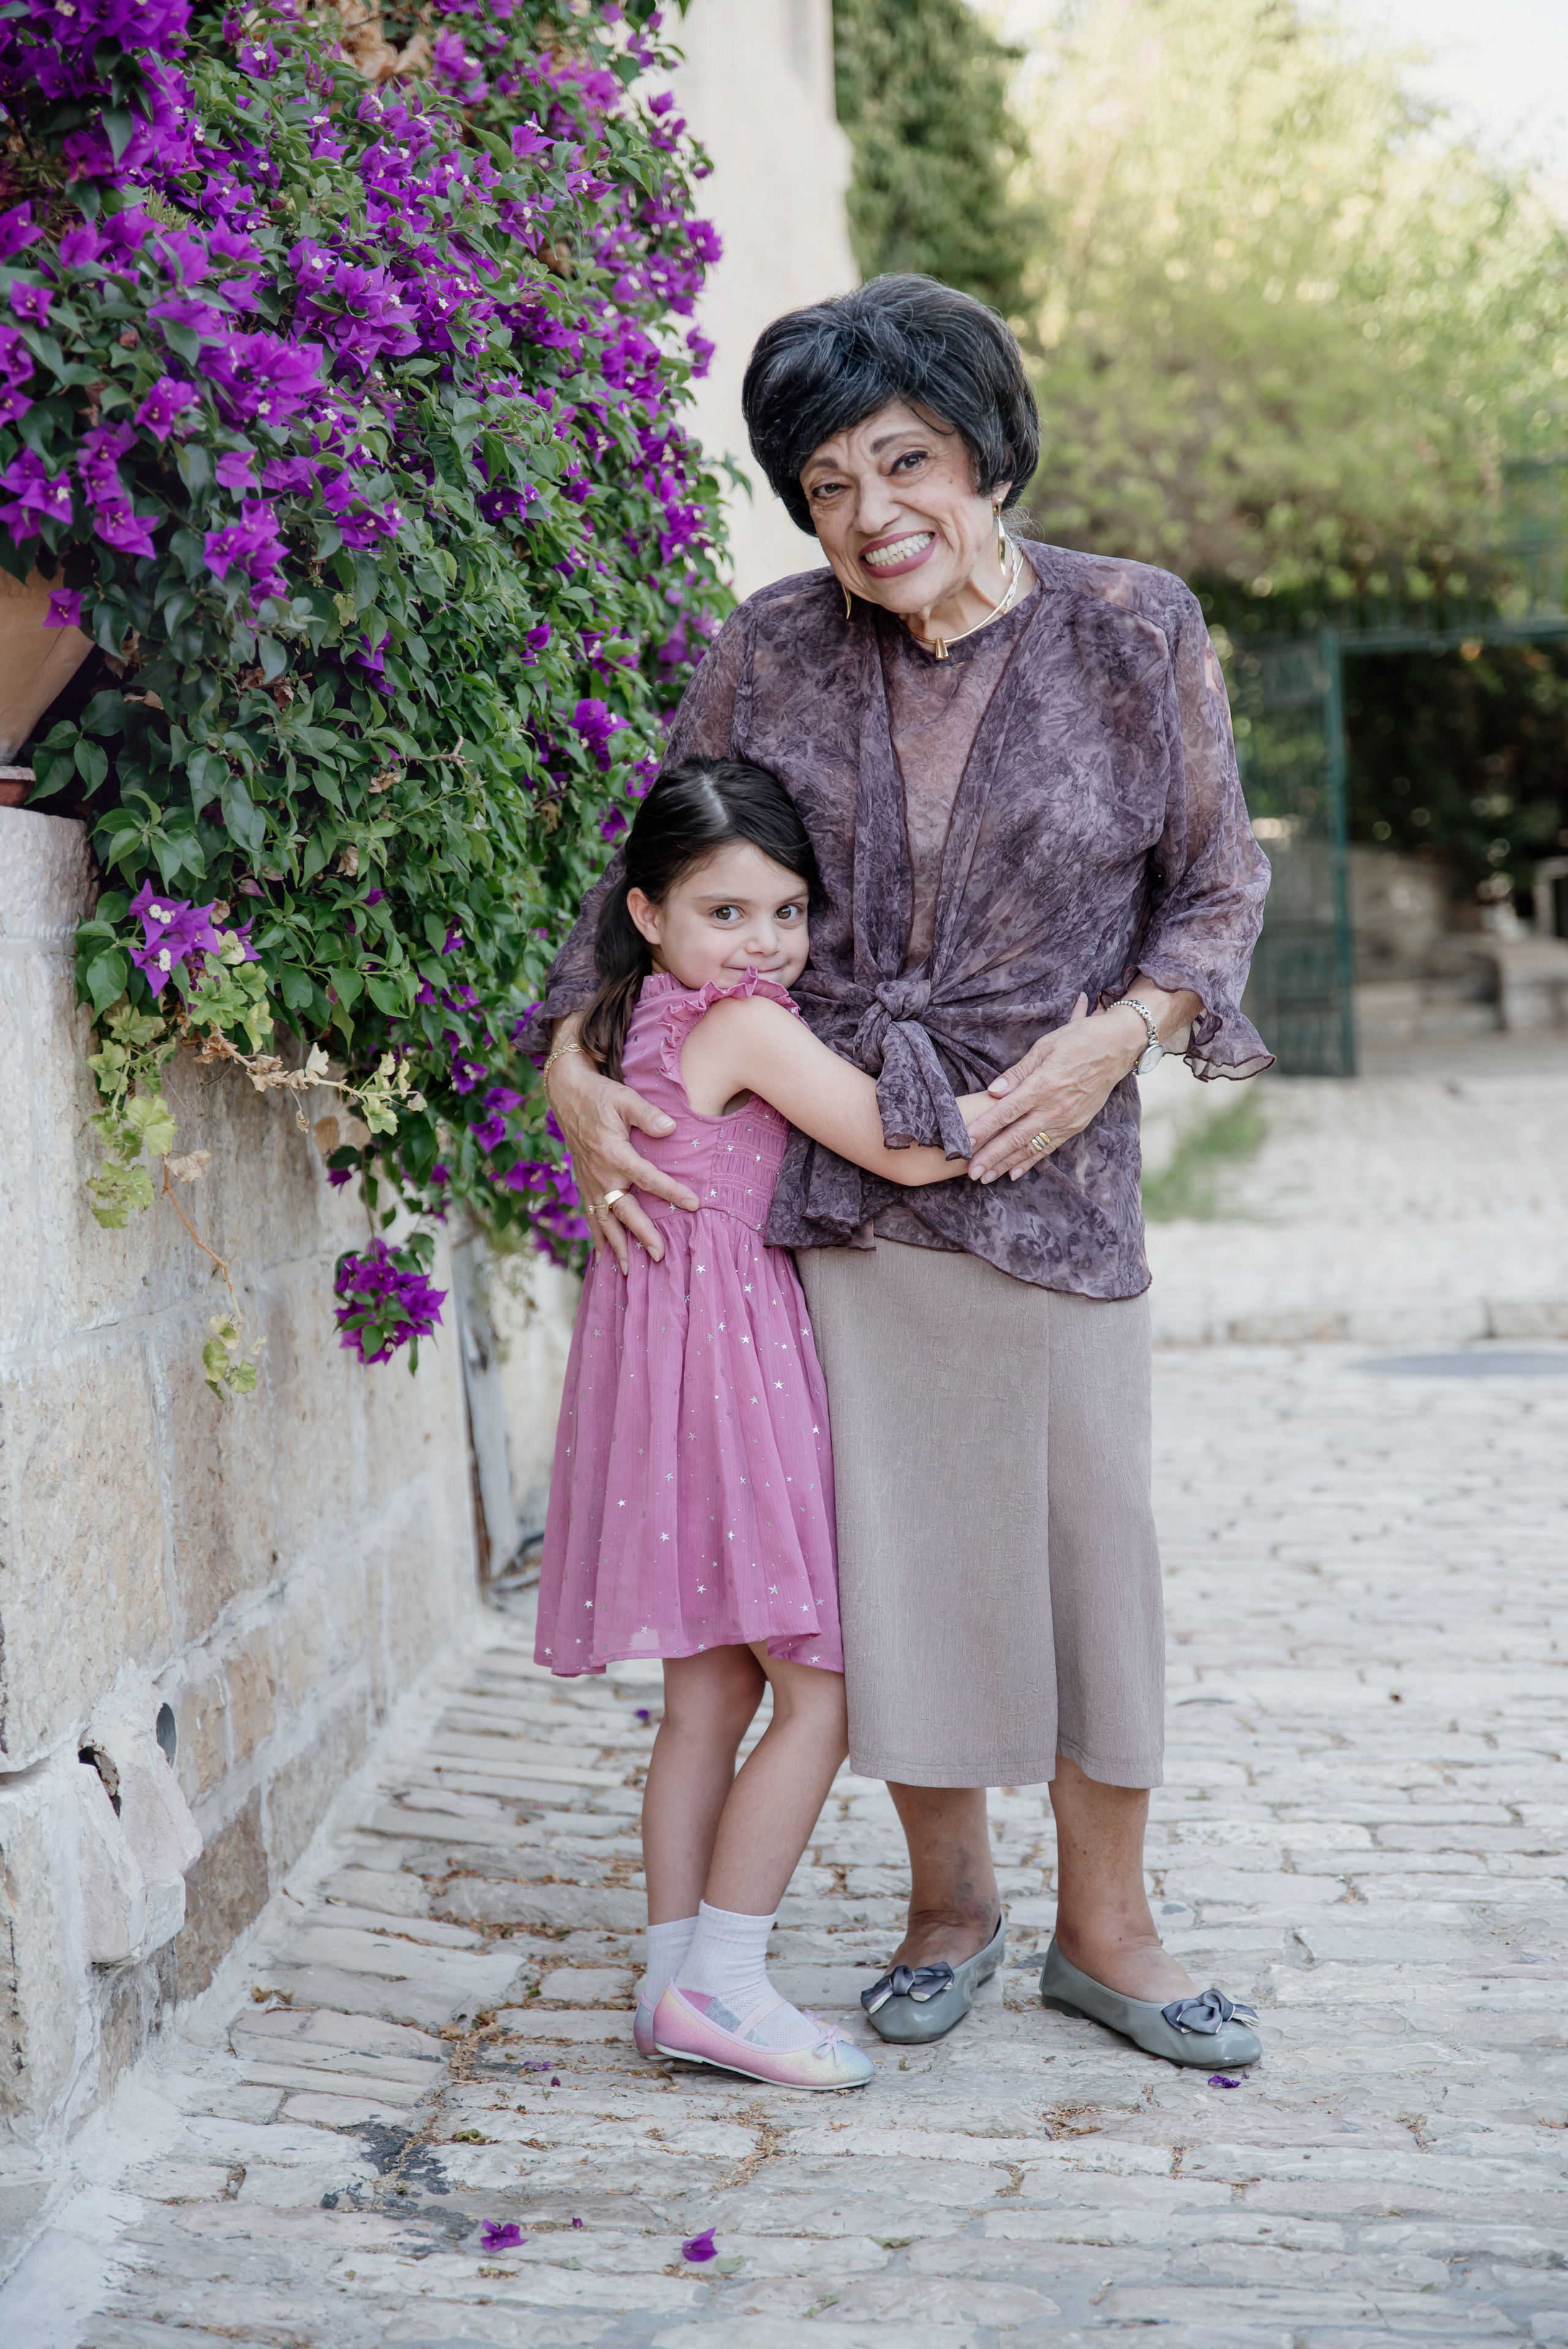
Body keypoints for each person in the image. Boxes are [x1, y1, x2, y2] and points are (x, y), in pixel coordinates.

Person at [540, 274, 1270, 2074]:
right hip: (837, 1189)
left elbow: (1217, 878)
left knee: (1095, 1541)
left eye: (907, 461)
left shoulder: (1132, 626)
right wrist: (572, 1067)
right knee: (898, 1566)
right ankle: (948, 1909)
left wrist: (1124, 1033)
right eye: (827, 482)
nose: (872, 515)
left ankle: (1109, 1926)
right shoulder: (770, 646)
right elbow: (642, 886)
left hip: (1053, 1159)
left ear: (986, 455)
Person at [535, 756, 990, 2092]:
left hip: (656, 1362)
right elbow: (894, 1145)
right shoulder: (737, 1022)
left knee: (706, 1689)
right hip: (729, 1367)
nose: (763, 944)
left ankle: (671, 1974)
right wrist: (1024, 1105)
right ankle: (726, 1984)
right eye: (724, 911)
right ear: (647, 913)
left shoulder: (632, 1020)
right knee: (819, 1686)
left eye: (785, 911)